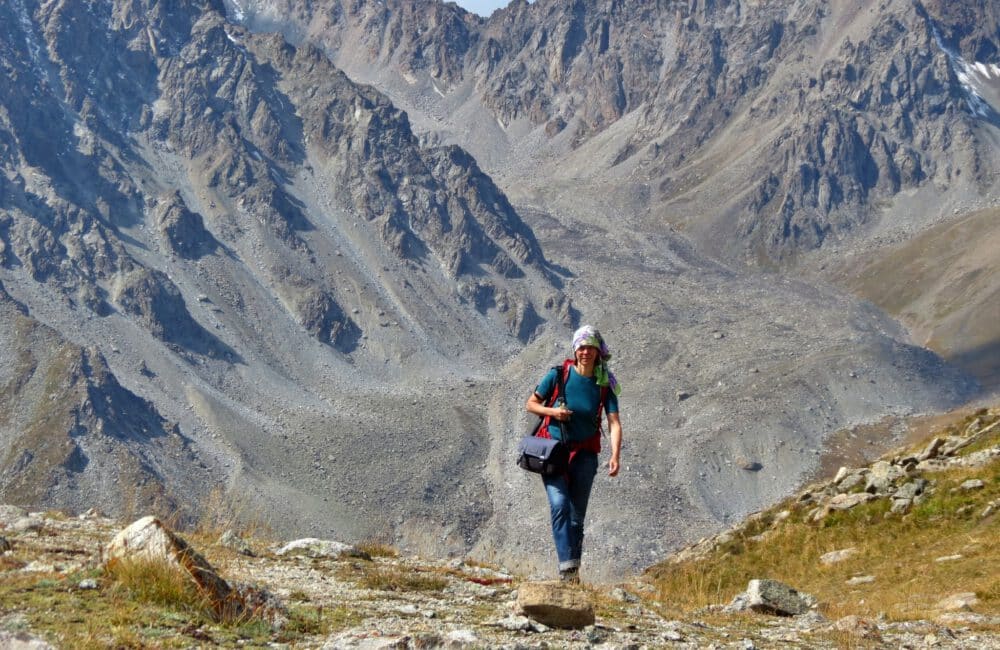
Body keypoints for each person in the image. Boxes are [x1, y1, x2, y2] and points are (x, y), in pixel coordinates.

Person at [525, 325, 622, 582]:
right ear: (574, 349)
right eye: (581, 347)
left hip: (585, 455)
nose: (585, 352)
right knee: (559, 506)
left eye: (590, 347)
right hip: (553, 452)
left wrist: (615, 455)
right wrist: (554, 413)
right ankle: (567, 568)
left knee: (577, 517)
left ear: (598, 352)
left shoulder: (604, 384)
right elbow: (531, 404)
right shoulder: (558, 375)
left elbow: (613, 422)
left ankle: (572, 575)